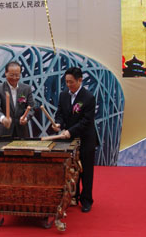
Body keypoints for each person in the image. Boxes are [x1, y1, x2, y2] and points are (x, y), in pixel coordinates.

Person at [52, 67, 97, 213]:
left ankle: (86, 200)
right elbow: (60, 113)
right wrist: (58, 123)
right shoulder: (64, 95)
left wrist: (70, 131)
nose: (69, 85)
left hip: (85, 138)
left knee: (85, 170)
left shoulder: (88, 97)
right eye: (66, 82)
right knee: (70, 169)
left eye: (71, 82)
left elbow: (86, 121)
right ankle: (73, 196)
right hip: (68, 139)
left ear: (80, 80)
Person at [0, 61, 35, 138]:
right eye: (11, 75)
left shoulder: (26, 89)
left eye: (17, 75)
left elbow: (31, 108)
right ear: (6, 73)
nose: (14, 78)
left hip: (22, 132)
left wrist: (26, 117)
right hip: (3, 132)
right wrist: (3, 119)